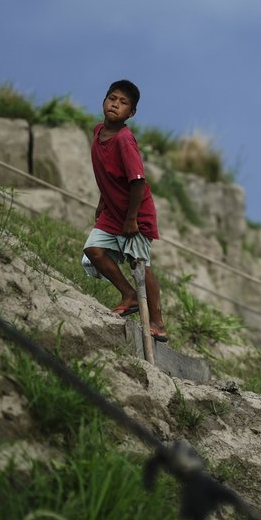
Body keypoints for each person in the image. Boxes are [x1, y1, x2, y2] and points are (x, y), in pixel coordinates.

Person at [83, 79, 167, 343]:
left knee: (140, 265)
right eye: (112, 99)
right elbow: (109, 175)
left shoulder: (124, 140)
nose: (115, 105)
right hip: (113, 211)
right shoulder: (98, 133)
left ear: (131, 113)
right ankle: (128, 295)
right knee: (93, 250)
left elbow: (138, 181)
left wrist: (132, 219)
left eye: (123, 103)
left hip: (135, 214)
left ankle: (158, 322)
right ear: (104, 101)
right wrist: (102, 201)